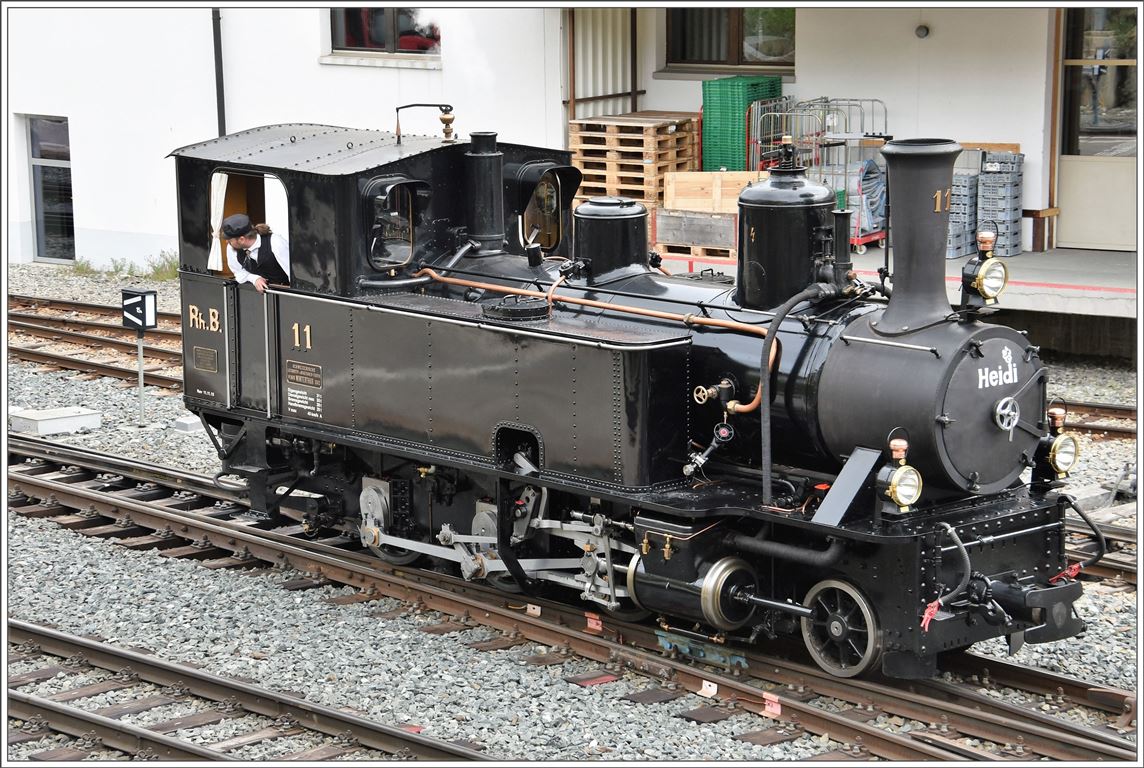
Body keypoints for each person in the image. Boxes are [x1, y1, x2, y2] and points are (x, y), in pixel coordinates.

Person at [221, 213, 290, 292]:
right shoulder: (232, 247)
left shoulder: (276, 243)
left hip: (284, 293)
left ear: (242, 239)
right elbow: (238, 272)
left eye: (229, 239)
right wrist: (254, 278)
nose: (227, 242)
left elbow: (292, 274)